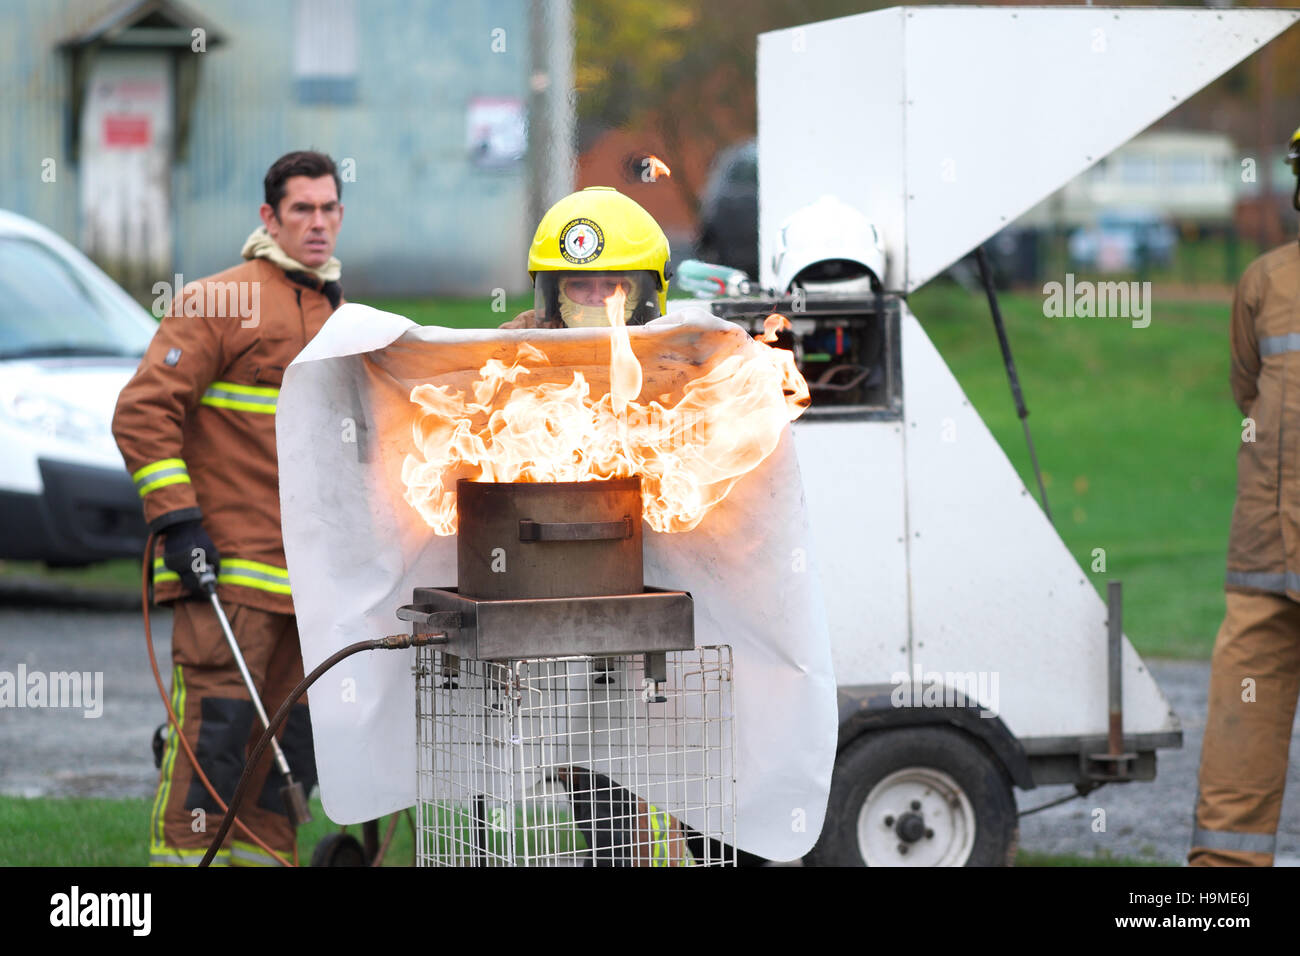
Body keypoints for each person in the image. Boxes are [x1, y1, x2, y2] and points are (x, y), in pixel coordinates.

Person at [113, 150, 345, 866]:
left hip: (307, 594)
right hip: (230, 580)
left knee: (286, 760)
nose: (317, 223)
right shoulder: (221, 301)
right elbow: (143, 414)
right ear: (268, 217)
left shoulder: (340, 317)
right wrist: (179, 522)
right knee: (214, 744)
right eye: (301, 209)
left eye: (329, 208)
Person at [1189, 125, 1300, 866]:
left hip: (1266, 543)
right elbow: (1248, 392)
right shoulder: (1266, 280)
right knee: (1240, 735)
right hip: (1264, 555)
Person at [501, 186, 671, 329]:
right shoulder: (523, 352)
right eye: (579, 285)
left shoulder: (679, 358)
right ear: (553, 294)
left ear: (643, 293)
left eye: (613, 285)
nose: (596, 297)